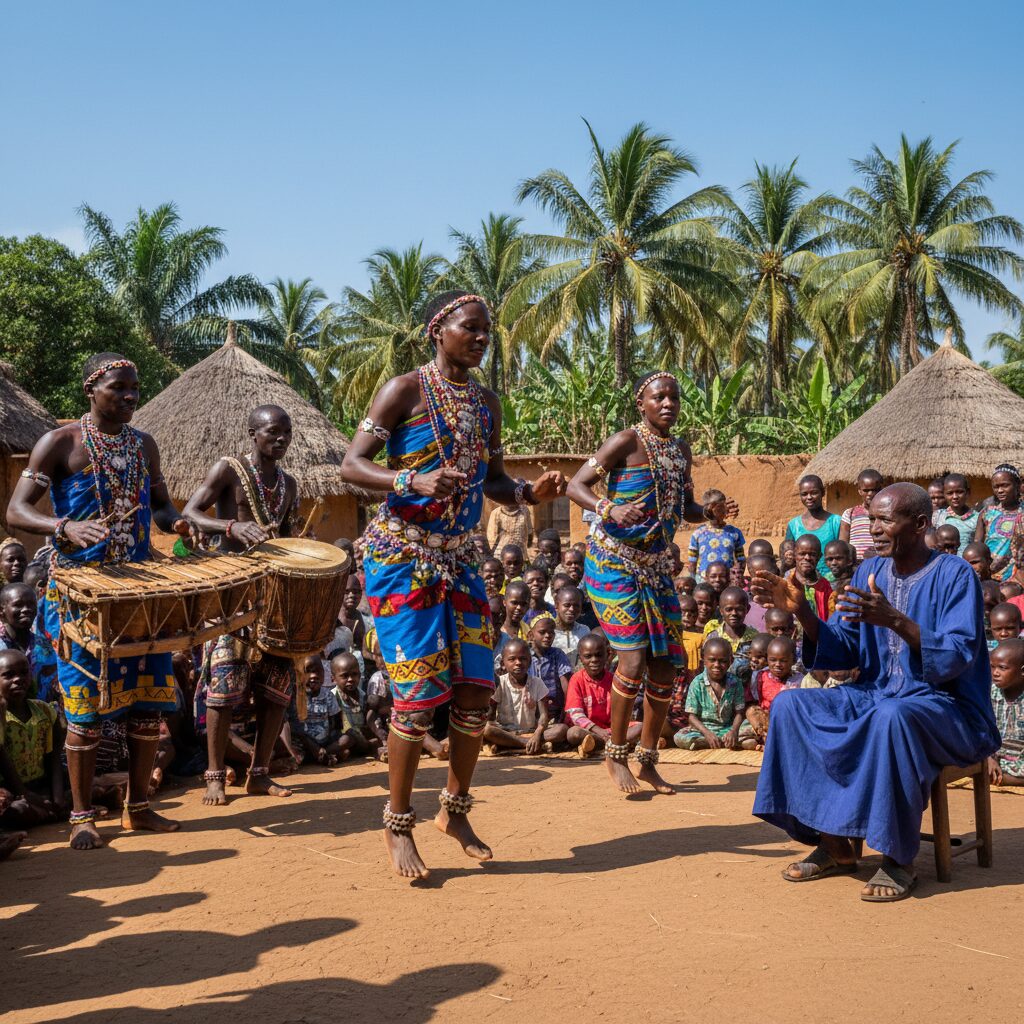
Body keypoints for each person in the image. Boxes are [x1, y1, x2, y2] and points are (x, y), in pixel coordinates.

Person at [339, 289, 565, 879]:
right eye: (472, 327)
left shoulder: (487, 403)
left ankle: (455, 811)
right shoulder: (402, 390)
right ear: (438, 330)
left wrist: (524, 494)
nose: (483, 337)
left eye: (488, 329)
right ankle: (397, 823)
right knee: (415, 701)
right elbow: (351, 465)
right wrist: (411, 479)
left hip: (462, 560)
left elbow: (491, 479)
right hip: (401, 560)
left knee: (473, 692)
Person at [751, 482, 1000, 903]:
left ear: (919, 523)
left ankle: (899, 860)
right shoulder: (871, 571)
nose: (876, 528)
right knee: (792, 704)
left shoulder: (954, 575)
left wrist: (896, 620)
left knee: (893, 717)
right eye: (872, 519)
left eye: (887, 519)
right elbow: (846, 647)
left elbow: (958, 656)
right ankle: (834, 844)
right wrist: (804, 612)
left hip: (948, 709)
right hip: (877, 692)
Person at [6, 353, 188, 850]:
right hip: (81, 596)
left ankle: (138, 808)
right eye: (119, 387)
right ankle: (82, 816)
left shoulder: (144, 445)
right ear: (92, 388)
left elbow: (162, 506)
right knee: (84, 710)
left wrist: (179, 524)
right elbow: (16, 512)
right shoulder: (59, 443)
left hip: (137, 594)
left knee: (148, 705)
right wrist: (63, 526)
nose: (130, 396)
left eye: (134, 388)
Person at [568, 369, 739, 794]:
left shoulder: (680, 450)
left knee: (666, 666)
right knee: (632, 659)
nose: (668, 404)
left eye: (674, 398)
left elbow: (685, 507)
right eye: (659, 397)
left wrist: (710, 514)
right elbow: (576, 485)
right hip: (612, 563)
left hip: (656, 566)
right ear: (641, 404)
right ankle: (616, 755)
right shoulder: (625, 441)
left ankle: (647, 759)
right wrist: (608, 509)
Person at [182, 404, 302, 806]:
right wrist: (232, 526)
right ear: (253, 433)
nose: (281, 439)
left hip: (272, 594)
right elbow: (190, 513)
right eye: (272, 432)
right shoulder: (228, 470)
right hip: (230, 593)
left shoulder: (291, 485)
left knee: (276, 684)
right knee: (223, 684)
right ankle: (214, 775)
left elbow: (290, 540)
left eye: (286, 432)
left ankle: (260, 773)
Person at [0, 649, 65, 825]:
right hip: (11, 789)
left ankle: (49, 810)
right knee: (16, 810)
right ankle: (45, 814)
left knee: (75, 791)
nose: (18, 679)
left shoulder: (44, 711)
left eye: (24, 673)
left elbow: (54, 757)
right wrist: (25, 794)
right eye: (8, 675)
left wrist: (57, 797)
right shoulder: (1, 716)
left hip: (40, 784)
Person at [483, 639, 566, 754]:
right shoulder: (499, 683)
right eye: (512, 659)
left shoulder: (537, 683)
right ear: (503, 664)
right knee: (487, 730)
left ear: (530, 661)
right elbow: (490, 717)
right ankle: (527, 745)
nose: (518, 663)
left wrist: (537, 733)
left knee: (561, 730)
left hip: (531, 731)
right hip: (506, 733)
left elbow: (543, 715)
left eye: (523, 659)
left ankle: (510, 748)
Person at [565, 633, 640, 757]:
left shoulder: (614, 679)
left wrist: (612, 731)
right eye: (588, 656)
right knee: (573, 734)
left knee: (640, 727)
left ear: (607, 655)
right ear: (581, 658)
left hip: (610, 730)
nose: (594, 660)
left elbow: (622, 711)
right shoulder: (576, 679)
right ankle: (618, 743)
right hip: (588, 730)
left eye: (599, 655)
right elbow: (576, 715)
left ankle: (597, 744)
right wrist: (597, 730)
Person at [675, 637, 756, 750]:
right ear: (704, 660)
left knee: (750, 725)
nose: (717, 665)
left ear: (731, 661)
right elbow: (691, 716)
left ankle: (726, 740)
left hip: (727, 728)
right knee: (679, 737)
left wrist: (733, 730)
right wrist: (707, 733)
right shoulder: (697, 683)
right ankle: (728, 742)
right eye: (712, 660)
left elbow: (739, 713)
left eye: (723, 661)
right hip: (703, 730)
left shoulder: (735, 682)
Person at [785, 475, 841, 578]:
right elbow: (789, 557)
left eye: (814, 493)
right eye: (804, 494)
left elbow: (843, 555)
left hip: (830, 582)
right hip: (802, 582)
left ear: (823, 492)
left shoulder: (836, 522)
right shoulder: (794, 525)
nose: (809, 497)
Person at [686, 489, 746, 582]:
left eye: (723, 507)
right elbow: (692, 562)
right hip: (702, 581)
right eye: (718, 508)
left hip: (726, 580)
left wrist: (737, 578)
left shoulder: (734, 533)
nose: (722, 511)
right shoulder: (698, 533)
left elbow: (741, 559)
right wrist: (694, 582)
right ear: (707, 510)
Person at [975, 464, 1022, 580]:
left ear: (1017, 485)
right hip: (988, 575)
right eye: (996, 487)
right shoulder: (987, 514)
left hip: (1017, 577)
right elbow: (977, 545)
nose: (1000, 490)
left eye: (1005, 485)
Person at [988, 639, 1024, 786]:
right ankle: (992, 775)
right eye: (992, 667)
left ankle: (993, 778)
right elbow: (978, 730)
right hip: (991, 757)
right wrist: (987, 757)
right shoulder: (987, 693)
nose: (995, 673)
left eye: (1002, 668)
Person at [528, 613, 572, 723]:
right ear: (531, 635)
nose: (548, 636)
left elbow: (565, 683)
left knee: (559, 731)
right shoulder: (524, 655)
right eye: (542, 632)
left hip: (553, 711)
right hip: (529, 709)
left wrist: (566, 708)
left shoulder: (557, 654)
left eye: (551, 632)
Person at [839, 469, 883, 560]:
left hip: (880, 562)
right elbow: (843, 545)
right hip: (856, 565)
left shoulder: (886, 514)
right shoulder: (850, 514)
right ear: (859, 491)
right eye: (866, 490)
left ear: (881, 490)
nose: (870, 494)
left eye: (874, 490)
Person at [787, 535, 833, 620]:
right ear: (794, 554)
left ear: (819, 556)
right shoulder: (785, 584)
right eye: (802, 554)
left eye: (812, 554)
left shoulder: (826, 588)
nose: (807, 558)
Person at [935, 474, 978, 555]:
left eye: (959, 492)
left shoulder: (977, 518)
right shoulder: (938, 516)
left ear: (968, 492)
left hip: (967, 565)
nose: (955, 496)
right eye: (950, 493)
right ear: (944, 494)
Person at [493, 580, 530, 669]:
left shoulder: (528, 632)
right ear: (504, 602)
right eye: (514, 603)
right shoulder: (496, 629)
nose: (519, 608)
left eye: (523, 604)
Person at [551, 586, 589, 668]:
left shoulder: (584, 631)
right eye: (567, 605)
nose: (572, 609)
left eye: (576, 606)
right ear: (557, 606)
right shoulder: (548, 631)